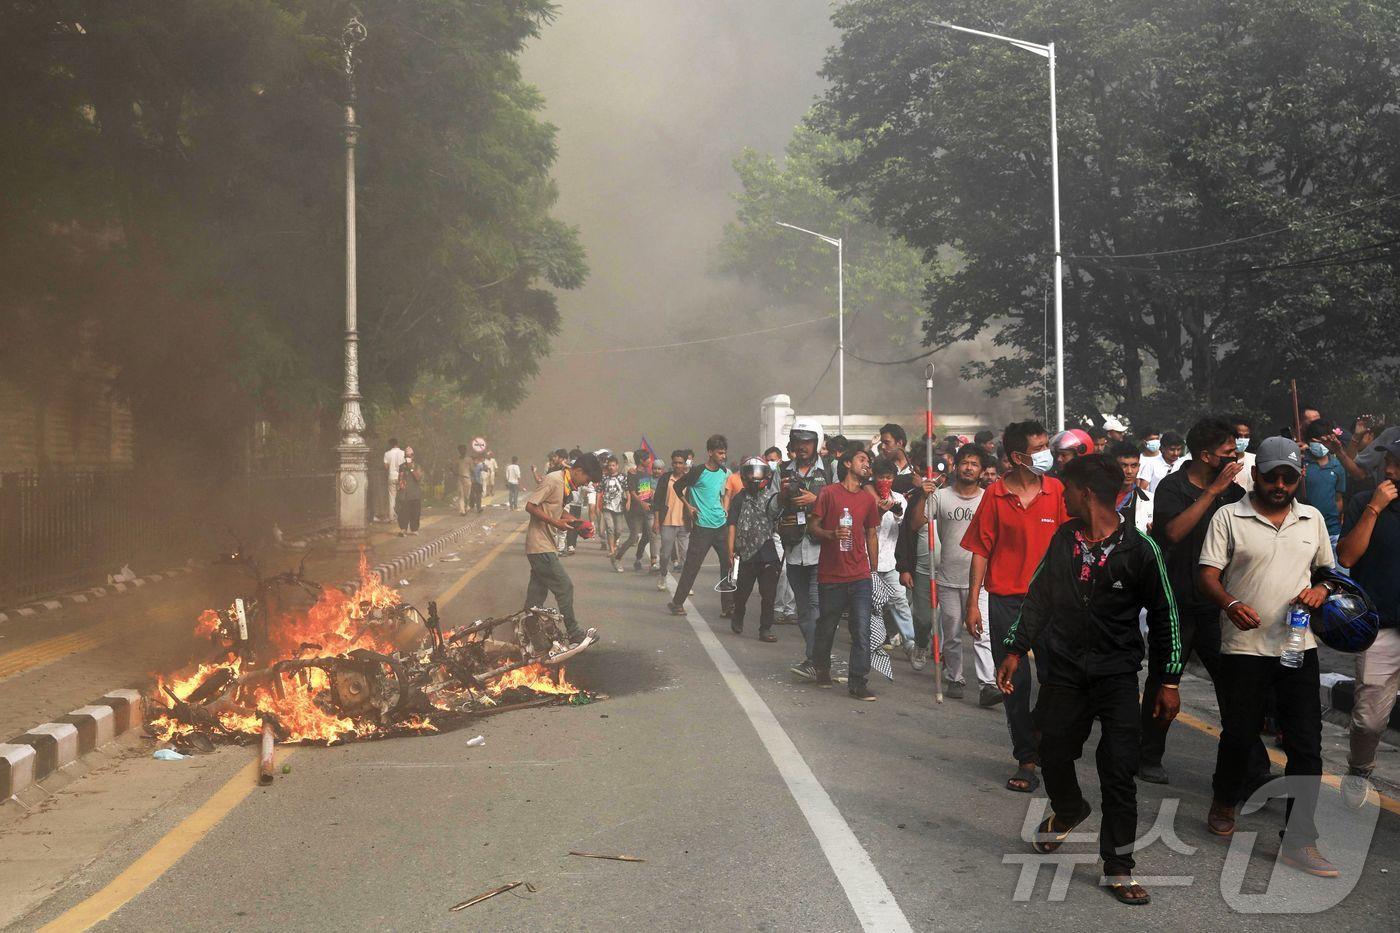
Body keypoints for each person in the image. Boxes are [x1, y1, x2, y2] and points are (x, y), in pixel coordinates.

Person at [999, 454, 1181, 905]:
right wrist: (1015, 648)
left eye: (1067, 490)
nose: (1063, 498)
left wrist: (1169, 680)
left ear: (1084, 492)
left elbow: (1166, 619)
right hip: (1062, 673)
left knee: (1119, 770)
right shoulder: (1065, 538)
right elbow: (1039, 595)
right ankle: (1069, 808)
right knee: (1053, 752)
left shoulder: (1140, 549)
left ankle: (1119, 866)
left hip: (1117, 676)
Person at [1197, 436, 1339, 877]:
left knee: (1305, 744)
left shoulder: (1311, 518)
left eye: (1288, 477)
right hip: (1244, 648)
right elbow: (1207, 573)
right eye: (1272, 475)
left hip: (1299, 647)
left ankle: (1299, 840)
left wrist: (1321, 590)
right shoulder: (1228, 516)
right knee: (1240, 735)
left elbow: (1327, 572)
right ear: (1254, 476)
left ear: (1298, 479)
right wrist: (1229, 604)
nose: (1279, 484)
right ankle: (1224, 798)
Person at [1142, 417, 1267, 786]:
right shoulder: (1173, 486)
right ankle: (1147, 755)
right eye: (1228, 451)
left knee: (1233, 686)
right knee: (1165, 680)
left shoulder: (1235, 493)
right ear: (1207, 455)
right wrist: (1211, 492)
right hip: (1177, 603)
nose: (1235, 456)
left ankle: (1254, 766)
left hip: (1217, 605)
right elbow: (1173, 533)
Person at [963, 420, 1069, 792]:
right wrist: (973, 604)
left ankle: (1038, 731)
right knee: (1015, 682)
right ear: (1016, 457)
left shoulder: (1057, 492)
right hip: (1006, 601)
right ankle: (1026, 758)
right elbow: (980, 550)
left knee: (1056, 679)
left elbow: (1072, 545)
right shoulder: (994, 495)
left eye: (1046, 445)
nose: (1047, 453)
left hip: (1052, 604)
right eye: (1038, 447)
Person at [1337, 441, 1400, 807]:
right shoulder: (1365, 502)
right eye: (1388, 462)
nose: (1389, 471)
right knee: (1368, 721)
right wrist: (1376, 508)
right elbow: (1347, 556)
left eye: (1396, 465)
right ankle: (1359, 769)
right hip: (1380, 626)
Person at [906, 443, 995, 701]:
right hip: (947, 578)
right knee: (952, 633)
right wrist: (923, 495)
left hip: (981, 580)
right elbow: (914, 524)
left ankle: (987, 684)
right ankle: (955, 678)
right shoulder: (940, 496)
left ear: (981, 470)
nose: (969, 467)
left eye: (974, 463)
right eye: (965, 462)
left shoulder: (988, 498)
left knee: (982, 633)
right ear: (956, 466)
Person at [810, 447, 882, 700]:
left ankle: (858, 682)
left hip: (860, 575)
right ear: (848, 463)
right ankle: (821, 667)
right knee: (827, 626)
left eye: (869, 461)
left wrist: (873, 570)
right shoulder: (829, 493)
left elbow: (872, 533)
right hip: (831, 575)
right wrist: (831, 534)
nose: (867, 464)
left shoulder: (867, 499)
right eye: (863, 459)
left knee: (862, 630)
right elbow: (813, 526)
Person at [523, 451, 603, 645]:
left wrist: (577, 523)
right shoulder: (554, 480)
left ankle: (527, 634)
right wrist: (556, 523)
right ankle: (574, 633)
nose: (586, 483)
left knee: (536, 597)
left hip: (545, 544)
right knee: (565, 587)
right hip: (540, 545)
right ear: (578, 470)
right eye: (587, 478)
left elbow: (557, 510)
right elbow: (530, 506)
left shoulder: (566, 484)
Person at [778, 420, 831, 681]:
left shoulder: (830, 470)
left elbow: (842, 503)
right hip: (793, 550)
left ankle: (816, 660)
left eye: (807, 441)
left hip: (821, 550)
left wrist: (816, 499)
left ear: (816, 443)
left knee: (816, 607)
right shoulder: (781, 470)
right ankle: (818, 658)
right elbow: (769, 510)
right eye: (798, 441)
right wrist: (780, 503)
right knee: (802, 613)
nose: (802, 446)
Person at [667, 435, 735, 617]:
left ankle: (727, 608)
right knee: (692, 566)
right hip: (702, 527)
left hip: (720, 525)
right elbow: (678, 487)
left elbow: (720, 494)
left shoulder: (724, 472)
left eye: (724, 453)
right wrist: (688, 506)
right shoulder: (698, 471)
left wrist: (724, 509)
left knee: (728, 564)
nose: (723, 456)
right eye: (720, 453)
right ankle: (677, 603)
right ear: (710, 452)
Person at [726, 458, 783, 642]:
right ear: (744, 476)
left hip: (768, 553)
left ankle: (765, 629)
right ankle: (738, 616)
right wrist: (731, 551)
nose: (754, 477)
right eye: (750, 473)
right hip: (745, 554)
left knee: (768, 595)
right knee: (741, 593)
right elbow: (732, 525)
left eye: (757, 472)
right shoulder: (739, 499)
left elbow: (778, 519)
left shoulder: (771, 498)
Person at [869, 457, 917, 667]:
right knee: (873, 606)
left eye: (889, 477)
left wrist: (895, 511)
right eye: (881, 477)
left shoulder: (899, 499)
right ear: (874, 477)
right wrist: (879, 509)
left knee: (900, 602)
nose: (885, 481)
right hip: (868, 560)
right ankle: (875, 645)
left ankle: (911, 643)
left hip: (891, 561)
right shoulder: (866, 497)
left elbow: (902, 524)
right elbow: (867, 525)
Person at [1302, 420, 1348, 552]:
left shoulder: (1337, 466)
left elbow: (1338, 499)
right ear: (1309, 441)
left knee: (1337, 571)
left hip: (1332, 530)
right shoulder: (1301, 464)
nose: (1321, 445)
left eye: (1324, 441)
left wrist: (1338, 520)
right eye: (1317, 442)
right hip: (1306, 528)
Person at [652, 450, 692, 591]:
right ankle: (663, 575)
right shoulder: (665, 479)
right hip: (667, 522)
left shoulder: (689, 479)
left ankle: (685, 585)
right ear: (672, 463)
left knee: (686, 555)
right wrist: (656, 521)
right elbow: (657, 501)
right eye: (675, 463)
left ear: (684, 464)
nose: (677, 465)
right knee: (665, 555)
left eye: (680, 463)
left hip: (684, 523)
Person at [623, 449, 657, 571]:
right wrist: (642, 503)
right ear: (642, 460)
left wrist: (651, 493)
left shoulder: (647, 474)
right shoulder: (632, 473)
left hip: (647, 510)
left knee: (650, 536)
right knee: (634, 537)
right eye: (648, 458)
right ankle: (617, 556)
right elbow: (632, 492)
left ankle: (645, 560)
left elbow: (644, 491)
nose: (650, 460)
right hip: (636, 511)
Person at [1110, 441, 1153, 533]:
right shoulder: (1098, 497)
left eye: (1134, 466)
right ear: (1112, 466)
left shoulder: (1150, 500)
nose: (1129, 471)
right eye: (1123, 465)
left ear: (1139, 467)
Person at [599, 456, 629, 572]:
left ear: (617, 466)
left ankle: (614, 545)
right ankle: (612, 550)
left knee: (619, 530)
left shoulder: (622, 477)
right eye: (609, 465)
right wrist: (598, 504)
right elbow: (599, 491)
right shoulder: (604, 478)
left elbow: (626, 489)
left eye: (613, 465)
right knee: (610, 528)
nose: (611, 467)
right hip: (607, 507)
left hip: (619, 507)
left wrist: (629, 501)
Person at [396, 446, 423, 536]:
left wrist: (411, 468)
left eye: (410, 456)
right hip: (405, 494)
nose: (408, 458)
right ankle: (403, 529)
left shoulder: (417, 466)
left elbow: (418, 478)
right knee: (404, 512)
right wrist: (400, 483)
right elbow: (400, 478)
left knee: (415, 512)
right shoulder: (402, 466)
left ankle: (414, 529)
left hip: (415, 493)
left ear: (413, 456)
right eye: (406, 456)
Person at [1136, 427, 1169, 494]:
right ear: (1144, 441)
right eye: (1151, 439)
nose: (1155, 441)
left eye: (1157, 439)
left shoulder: (1166, 459)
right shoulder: (1138, 460)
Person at [1229, 416, 1256, 493]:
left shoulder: (1255, 459)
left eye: (1246, 436)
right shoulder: (1221, 460)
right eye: (1239, 436)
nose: (1243, 439)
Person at [384, 438, 405, 523]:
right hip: (401, 477)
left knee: (392, 497)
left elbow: (386, 467)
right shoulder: (403, 453)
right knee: (402, 497)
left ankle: (392, 518)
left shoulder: (387, 453)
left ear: (390, 444)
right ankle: (403, 516)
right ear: (397, 443)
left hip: (391, 477)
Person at [457, 445, 473, 516]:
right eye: (460, 450)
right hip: (459, 479)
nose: (461, 451)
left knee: (467, 496)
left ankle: (466, 507)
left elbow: (472, 469)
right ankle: (462, 510)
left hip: (467, 478)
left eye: (463, 450)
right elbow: (454, 469)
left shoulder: (469, 459)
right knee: (461, 495)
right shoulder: (457, 459)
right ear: (459, 451)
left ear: (465, 451)